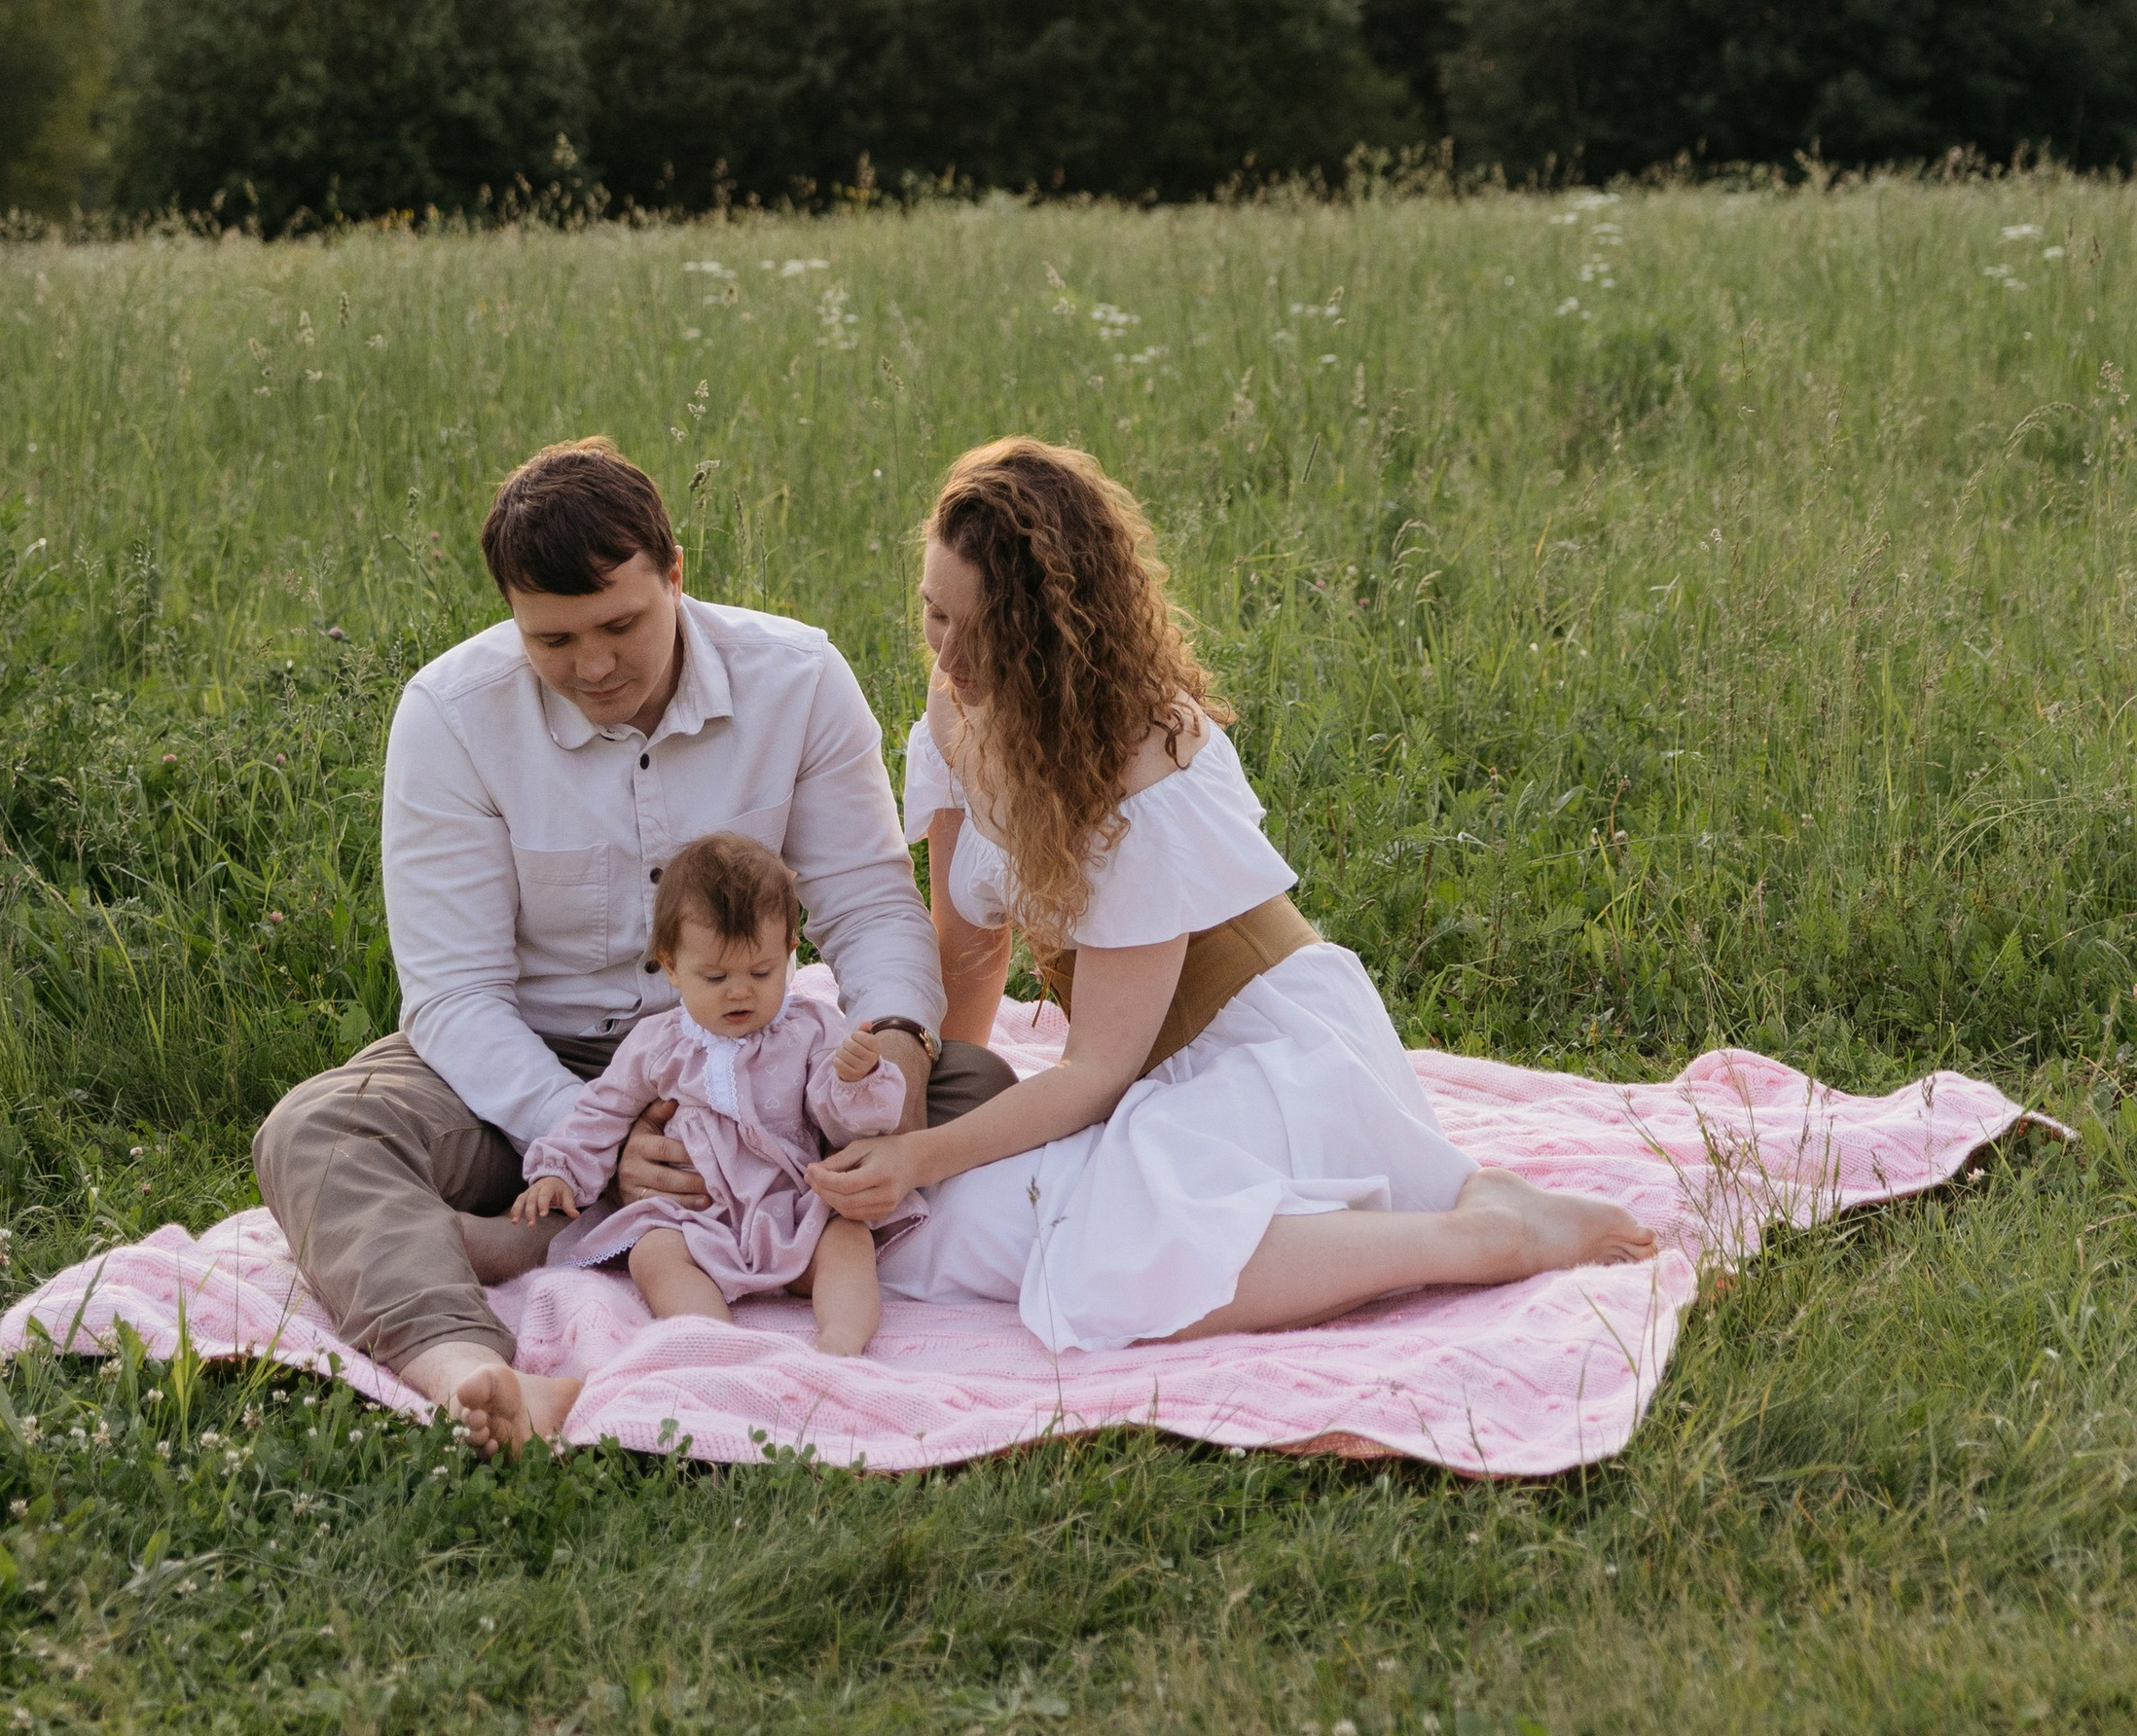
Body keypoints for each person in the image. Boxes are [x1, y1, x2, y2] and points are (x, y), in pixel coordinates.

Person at [252, 439, 1013, 1455]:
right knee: (316, 1133)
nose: (595, 665)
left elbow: (869, 905)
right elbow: (453, 996)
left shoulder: (795, 679)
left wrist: (899, 1039)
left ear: (676, 576)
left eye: (621, 624)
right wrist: (598, 1136)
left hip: (757, 1058)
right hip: (533, 1068)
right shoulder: (450, 716)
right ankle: (469, 1372)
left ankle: (544, 1238)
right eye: (554, 641)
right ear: (512, 616)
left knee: (987, 1094)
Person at [810, 436, 1656, 1348]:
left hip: (1263, 1053)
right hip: (1148, 1071)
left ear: (1055, 632)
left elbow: (1096, 1069)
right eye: (937, 615)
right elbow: (969, 948)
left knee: (1111, 1273)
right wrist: (933, 1105)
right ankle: (1467, 1208)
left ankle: (1475, 1238)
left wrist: (922, 1159)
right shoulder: (950, 717)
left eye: (984, 631)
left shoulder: (1145, 759)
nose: (953, 655)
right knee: (956, 1227)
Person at [496, 832, 920, 1424]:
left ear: (792, 951)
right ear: (671, 968)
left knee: (848, 1237)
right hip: (697, 1217)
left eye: (762, 970)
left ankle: (838, 1348)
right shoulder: (658, 1043)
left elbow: (844, 1118)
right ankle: (721, 1350)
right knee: (653, 1251)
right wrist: (559, 1170)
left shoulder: (810, 1029)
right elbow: (604, 1110)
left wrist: (857, 1079)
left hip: (790, 1206)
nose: (741, 991)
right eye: (715, 977)